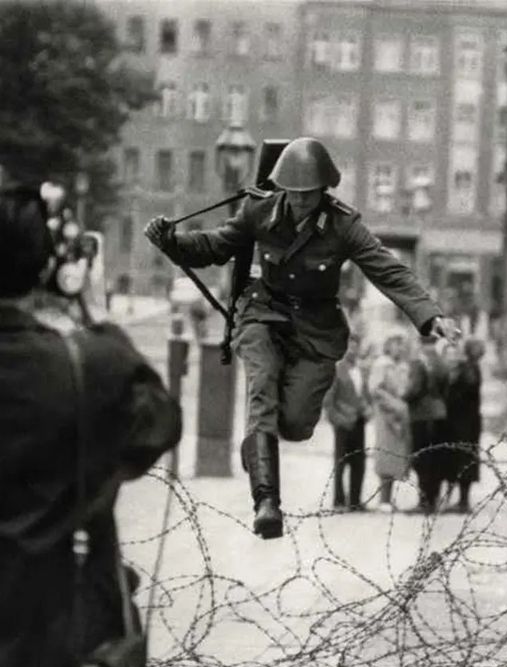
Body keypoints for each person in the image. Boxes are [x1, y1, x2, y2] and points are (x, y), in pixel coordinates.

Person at [144, 137, 458, 539]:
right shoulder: (259, 210)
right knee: (261, 388)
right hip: (264, 314)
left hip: (316, 329)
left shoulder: (343, 225)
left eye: (308, 194)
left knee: (294, 424)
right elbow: (216, 246)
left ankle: (257, 445)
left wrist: (431, 316)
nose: (299, 200)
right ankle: (266, 502)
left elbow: (387, 270)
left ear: (324, 189)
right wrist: (172, 241)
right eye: (292, 192)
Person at [0, 185, 182, 667]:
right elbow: (157, 426)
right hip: (63, 641)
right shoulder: (88, 366)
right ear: (51, 269)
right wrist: (97, 318)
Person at [323, 333, 371, 511]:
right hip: (343, 423)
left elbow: (364, 394)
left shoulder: (361, 369)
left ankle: (355, 500)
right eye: (350, 345)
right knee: (341, 463)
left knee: (359, 462)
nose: (353, 349)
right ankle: (339, 500)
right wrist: (338, 420)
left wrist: (367, 409)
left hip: (359, 421)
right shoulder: (336, 369)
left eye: (356, 345)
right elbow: (328, 401)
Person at [404, 336, 449, 513]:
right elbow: (446, 388)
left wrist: (403, 398)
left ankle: (423, 500)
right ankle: (434, 498)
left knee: (421, 459)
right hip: (440, 413)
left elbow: (414, 389)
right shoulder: (441, 362)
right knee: (436, 458)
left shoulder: (418, 363)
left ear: (420, 343)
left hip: (421, 415)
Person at [369, 333, 411, 512]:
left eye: (402, 344)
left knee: (396, 455)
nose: (399, 348)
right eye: (396, 344)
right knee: (385, 453)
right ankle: (383, 499)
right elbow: (375, 389)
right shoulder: (382, 364)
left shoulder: (401, 365)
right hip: (386, 414)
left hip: (400, 413)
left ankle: (389, 498)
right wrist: (393, 404)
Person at [443, 338, 485, 513]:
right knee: (465, 459)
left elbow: (457, 394)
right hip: (469, 421)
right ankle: (461, 499)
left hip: (460, 421)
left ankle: (461, 500)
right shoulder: (473, 368)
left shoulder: (466, 369)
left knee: (459, 459)